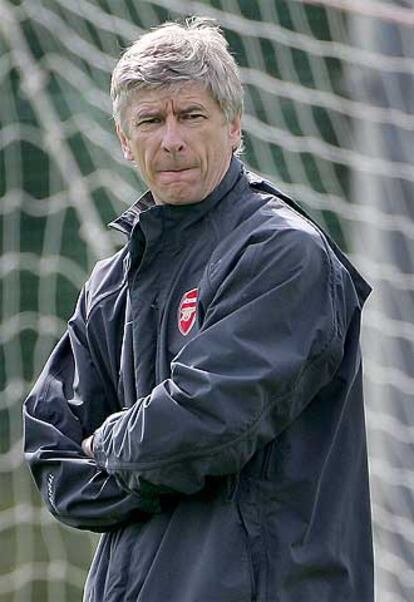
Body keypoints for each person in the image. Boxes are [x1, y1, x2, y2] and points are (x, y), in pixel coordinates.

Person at [24, 17, 374, 602]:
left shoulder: (283, 251)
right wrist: (154, 460)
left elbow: (203, 425)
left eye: (191, 116)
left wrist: (107, 446)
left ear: (233, 126)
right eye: (150, 121)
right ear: (122, 138)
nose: (172, 140)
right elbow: (53, 456)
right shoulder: (110, 284)